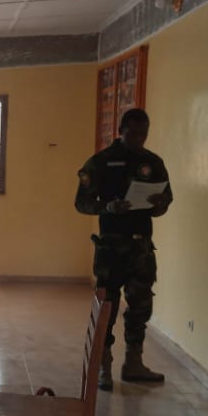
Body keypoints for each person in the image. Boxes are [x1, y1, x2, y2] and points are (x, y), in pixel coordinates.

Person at [75, 108, 173, 391]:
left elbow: (166, 200)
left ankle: (133, 363)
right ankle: (103, 366)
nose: (138, 138)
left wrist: (160, 204)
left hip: (141, 246)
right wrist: (108, 207)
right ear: (121, 130)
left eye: (143, 134)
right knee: (107, 306)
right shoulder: (101, 162)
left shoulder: (152, 162)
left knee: (140, 306)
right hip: (111, 247)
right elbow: (82, 203)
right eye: (133, 133)